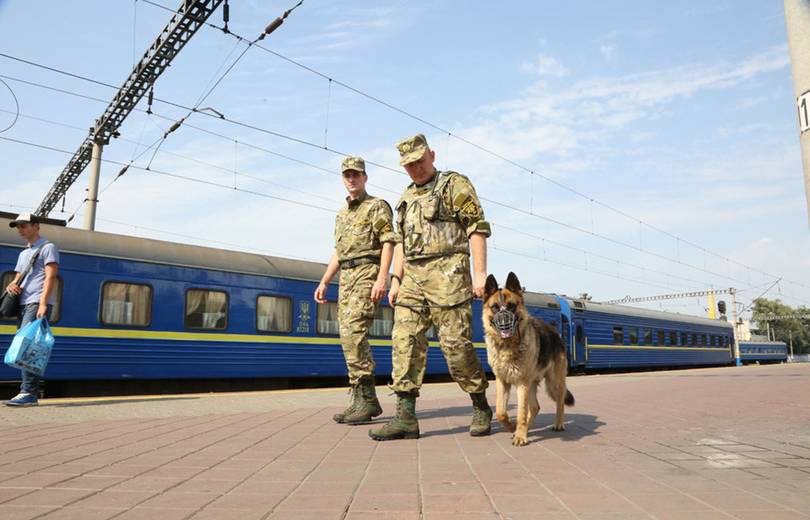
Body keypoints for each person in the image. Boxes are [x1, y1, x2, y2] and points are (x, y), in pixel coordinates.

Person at [369, 134, 493, 441]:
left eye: (419, 162)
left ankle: (480, 405)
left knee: (455, 346)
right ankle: (405, 417)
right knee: (404, 342)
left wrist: (480, 274)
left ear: (432, 155)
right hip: (412, 277)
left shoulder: (454, 185)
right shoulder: (406, 197)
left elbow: (476, 228)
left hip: (449, 273)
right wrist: (396, 279)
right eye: (408, 165)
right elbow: (401, 244)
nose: (415, 169)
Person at [315, 156, 397, 424]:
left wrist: (382, 277)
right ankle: (361, 399)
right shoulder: (342, 214)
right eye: (347, 175)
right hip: (347, 278)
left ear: (365, 178)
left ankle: (368, 400)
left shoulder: (377, 207)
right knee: (347, 336)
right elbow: (339, 252)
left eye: (356, 174)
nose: (351, 179)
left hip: (367, 273)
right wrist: (325, 280)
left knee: (354, 332)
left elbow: (388, 242)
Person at [4, 213, 60, 407]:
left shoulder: (48, 247)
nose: (20, 229)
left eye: (23, 225)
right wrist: (11, 286)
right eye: (17, 226)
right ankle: (27, 391)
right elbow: (18, 277)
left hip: (37, 302)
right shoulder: (24, 253)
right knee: (25, 345)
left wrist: (43, 303)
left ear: (36, 226)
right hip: (23, 303)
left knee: (28, 346)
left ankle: (28, 392)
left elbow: (51, 276)